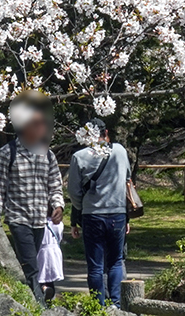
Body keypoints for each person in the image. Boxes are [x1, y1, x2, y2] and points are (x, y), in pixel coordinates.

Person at [0, 98, 65, 303]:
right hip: (18, 218)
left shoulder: (47, 155)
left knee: (28, 264)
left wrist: (58, 205)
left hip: (40, 219)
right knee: (31, 265)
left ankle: (23, 299)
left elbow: (55, 184)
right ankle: (39, 305)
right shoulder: (7, 153)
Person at [68, 118, 132, 308]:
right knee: (116, 261)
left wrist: (81, 209)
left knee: (95, 265)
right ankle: (115, 304)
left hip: (92, 215)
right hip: (118, 213)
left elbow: (73, 191)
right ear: (106, 133)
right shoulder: (120, 151)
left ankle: (98, 305)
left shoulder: (79, 156)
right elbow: (127, 178)